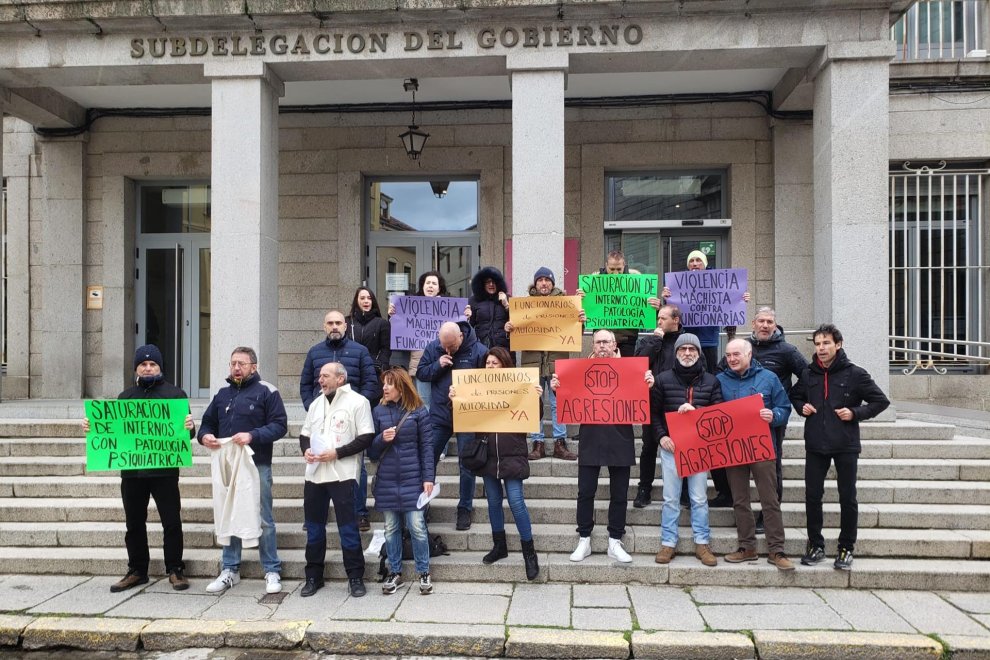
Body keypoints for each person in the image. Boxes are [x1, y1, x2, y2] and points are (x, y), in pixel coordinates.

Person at [82, 344, 194, 593]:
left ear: (160, 367)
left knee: (171, 522)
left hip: (164, 471)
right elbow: (116, 433)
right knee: (134, 523)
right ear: (136, 369)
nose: (147, 368)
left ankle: (175, 569)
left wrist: (190, 425)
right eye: (143, 364)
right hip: (132, 473)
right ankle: (137, 570)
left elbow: (188, 434)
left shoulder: (176, 396)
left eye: (152, 364)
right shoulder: (125, 397)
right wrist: (94, 428)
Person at [791, 324, 890, 571]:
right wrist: (801, 407)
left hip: (845, 444)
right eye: (817, 344)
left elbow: (880, 401)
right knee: (813, 496)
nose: (821, 348)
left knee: (848, 497)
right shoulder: (808, 373)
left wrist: (855, 412)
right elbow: (795, 395)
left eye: (826, 343)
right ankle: (815, 545)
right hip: (815, 444)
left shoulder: (855, 373)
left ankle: (846, 548)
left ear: (838, 344)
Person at [553, 329, 655, 564]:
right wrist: (559, 387)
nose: (601, 346)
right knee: (585, 491)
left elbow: (642, 403)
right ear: (592, 345)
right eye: (597, 342)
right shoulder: (576, 371)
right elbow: (567, 400)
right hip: (591, 436)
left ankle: (614, 540)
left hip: (621, 436)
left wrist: (647, 385)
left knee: (619, 493)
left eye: (606, 342)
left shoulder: (632, 369)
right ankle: (584, 538)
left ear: (614, 344)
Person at [199, 347, 287, 595]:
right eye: (233, 363)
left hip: (256, 464)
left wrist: (252, 435)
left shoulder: (266, 391)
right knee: (229, 515)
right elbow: (207, 423)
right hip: (227, 464)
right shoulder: (221, 394)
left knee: (263, 517)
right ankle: (230, 569)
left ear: (254, 367)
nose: (236, 368)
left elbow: (280, 426)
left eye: (242, 363)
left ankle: (271, 569)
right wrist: (205, 436)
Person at [661, 250, 744, 508]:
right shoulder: (678, 287)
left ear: (705, 264)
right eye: (691, 261)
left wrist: (739, 300)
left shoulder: (718, 284)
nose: (695, 264)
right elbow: (669, 315)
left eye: (698, 260)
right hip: (689, 343)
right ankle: (686, 491)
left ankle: (722, 490)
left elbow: (732, 313)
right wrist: (666, 299)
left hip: (708, 345)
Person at [454, 347, 540, 580]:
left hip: (512, 453)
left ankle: (529, 552)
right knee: (493, 501)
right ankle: (499, 545)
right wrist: (457, 399)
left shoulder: (519, 387)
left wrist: (537, 398)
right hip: (487, 454)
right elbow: (467, 417)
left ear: (505, 365)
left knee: (516, 500)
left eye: (495, 363)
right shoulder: (477, 389)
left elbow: (534, 417)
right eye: (488, 363)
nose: (491, 367)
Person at [298, 362, 375, 598]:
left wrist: (338, 453)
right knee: (314, 527)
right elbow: (305, 434)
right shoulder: (316, 403)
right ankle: (313, 576)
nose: (320, 380)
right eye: (320, 376)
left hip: (343, 473)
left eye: (325, 376)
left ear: (340, 379)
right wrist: (306, 451)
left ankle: (355, 577)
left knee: (348, 528)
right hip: (315, 473)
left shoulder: (358, 402)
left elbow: (367, 437)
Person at [716, 338, 794, 571]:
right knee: (740, 500)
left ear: (749, 354)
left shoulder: (769, 378)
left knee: (769, 500)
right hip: (733, 449)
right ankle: (747, 547)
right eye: (728, 355)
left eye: (736, 354)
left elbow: (784, 407)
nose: (731, 359)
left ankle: (776, 550)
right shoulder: (720, 380)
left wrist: (774, 415)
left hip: (761, 447)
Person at [300, 309, 381, 531]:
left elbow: (371, 382)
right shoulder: (315, 352)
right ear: (324, 326)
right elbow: (306, 384)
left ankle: (359, 513)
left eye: (338, 323)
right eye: (330, 323)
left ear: (345, 326)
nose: (334, 326)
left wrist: (357, 406)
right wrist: (314, 407)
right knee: (317, 466)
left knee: (357, 470)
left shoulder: (360, 351)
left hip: (350, 421)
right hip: (321, 422)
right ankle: (317, 514)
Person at [652, 333, 722, 567]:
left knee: (699, 498)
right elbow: (654, 413)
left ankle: (702, 543)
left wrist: (697, 411)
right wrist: (661, 436)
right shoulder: (663, 380)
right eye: (683, 349)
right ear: (677, 353)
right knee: (671, 498)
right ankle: (668, 543)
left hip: (699, 449)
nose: (688, 353)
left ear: (699, 353)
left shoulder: (712, 381)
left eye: (693, 349)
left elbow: (719, 414)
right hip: (672, 447)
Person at [416, 320, 487, 530]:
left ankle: (464, 508)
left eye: (452, 347)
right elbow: (421, 373)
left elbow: (489, 383)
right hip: (440, 415)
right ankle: (422, 506)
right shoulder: (433, 347)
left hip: (467, 415)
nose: (448, 349)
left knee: (466, 465)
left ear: (461, 338)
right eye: (444, 345)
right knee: (428, 460)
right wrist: (438, 364)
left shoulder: (479, 350)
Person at [370, 368, 436, 595]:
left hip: (412, 479)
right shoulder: (378, 411)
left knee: (417, 527)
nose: (385, 388)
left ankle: (424, 571)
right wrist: (380, 439)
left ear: (401, 386)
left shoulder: (419, 412)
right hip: (388, 479)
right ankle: (394, 571)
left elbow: (427, 447)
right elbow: (371, 451)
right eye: (384, 384)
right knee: (391, 528)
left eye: (390, 384)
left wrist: (428, 477)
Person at [743, 307, 808, 532]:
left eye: (769, 321)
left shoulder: (787, 350)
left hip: (772, 419)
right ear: (753, 324)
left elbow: (808, 374)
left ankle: (769, 511)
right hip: (743, 418)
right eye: (761, 321)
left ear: (775, 324)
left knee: (772, 463)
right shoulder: (743, 348)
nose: (765, 325)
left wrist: (790, 395)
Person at [508, 267, 579, 461]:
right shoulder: (524, 307)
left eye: (547, 280)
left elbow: (575, 336)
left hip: (557, 363)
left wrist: (579, 322)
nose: (544, 284)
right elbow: (515, 334)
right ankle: (537, 443)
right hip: (532, 363)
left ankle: (560, 443)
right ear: (535, 283)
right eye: (540, 280)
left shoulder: (565, 305)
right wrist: (510, 329)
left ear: (553, 283)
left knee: (559, 404)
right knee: (534, 403)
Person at [633, 304, 683, 508]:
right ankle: (644, 488)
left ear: (676, 320)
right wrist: (655, 340)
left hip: (676, 402)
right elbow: (639, 363)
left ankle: (685, 490)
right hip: (652, 402)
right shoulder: (650, 341)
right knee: (649, 447)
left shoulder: (684, 342)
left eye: (663, 318)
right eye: (658, 318)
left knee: (681, 446)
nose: (659, 321)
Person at [389, 271, 449, 408]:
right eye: (428, 283)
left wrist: (466, 317)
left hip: (443, 363)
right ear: (422, 286)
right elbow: (400, 329)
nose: (430, 286)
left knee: (443, 404)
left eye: (434, 283)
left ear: (439, 288)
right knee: (424, 404)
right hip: (420, 364)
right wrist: (393, 316)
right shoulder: (409, 307)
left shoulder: (448, 307)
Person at [346, 286, 391, 377]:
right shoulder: (346, 322)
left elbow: (386, 349)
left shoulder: (382, 323)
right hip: (351, 369)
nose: (366, 301)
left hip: (373, 371)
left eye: (369, 298)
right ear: (356, 301)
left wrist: (380, 364)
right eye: (362, 298)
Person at [465, 266, 510, 350]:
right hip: (481, 348)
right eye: (488, 282)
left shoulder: (507, 298)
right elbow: (468, 327)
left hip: (504, 349)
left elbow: (517, 321)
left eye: (494, 282)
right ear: (482, 284)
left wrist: (506, 305)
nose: (491, 284)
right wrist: (467, 317)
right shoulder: (474, 301)